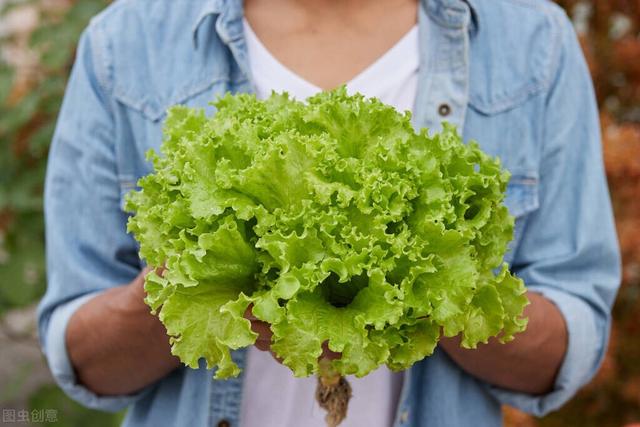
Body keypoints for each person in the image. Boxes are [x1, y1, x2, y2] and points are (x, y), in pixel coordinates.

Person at [37, 0, 621, 426]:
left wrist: (438, 289)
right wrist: (192, 286)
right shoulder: (125, 43)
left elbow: (565, 352)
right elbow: (83, 356)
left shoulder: (532, 41)